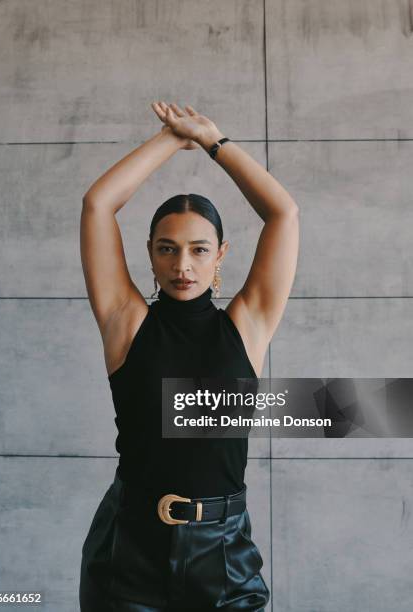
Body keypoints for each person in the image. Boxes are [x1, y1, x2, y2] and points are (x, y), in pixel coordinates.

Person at [79, 102, 299, 611]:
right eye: (167, 249)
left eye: (199, 249)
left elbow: (283, 213)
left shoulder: (248, 324)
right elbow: (98, 205)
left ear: (220, 253)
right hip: (129, 550)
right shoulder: (125, 322)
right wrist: (170, 140)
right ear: (150, 253)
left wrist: (211, 141)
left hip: (223, 554)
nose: (183, 265)